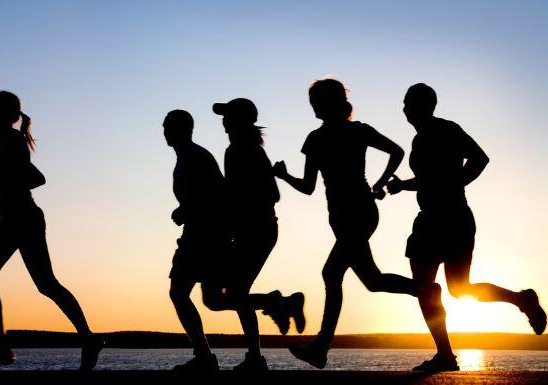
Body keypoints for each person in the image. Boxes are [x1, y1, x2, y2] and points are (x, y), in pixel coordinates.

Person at [273, 79, 439, 369]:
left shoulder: (356, 131)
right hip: (340, 216)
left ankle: (321, 347)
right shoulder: (315, 139)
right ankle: (424, 289)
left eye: (316, 101)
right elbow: (310, 186)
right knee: (372, 281)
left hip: (359, 212)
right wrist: (284, 176)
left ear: (330, 103)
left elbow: (397, 151)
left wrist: (379, 182)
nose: (312, 107)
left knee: (331, 272)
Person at [387, 83, 547, 372]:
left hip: (452, 217)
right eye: (404, 104)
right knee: (436, 288)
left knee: (454, 289)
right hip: (431, 219)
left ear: (426, 105)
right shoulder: (419, 140)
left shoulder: (447, 129)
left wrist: (455, 184)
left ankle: (520, 301)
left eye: (409, 103)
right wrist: (403, 186)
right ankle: (447, 354)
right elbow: (429, 181)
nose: (405, 109)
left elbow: (480, 158)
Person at [0, 91, 103, 370]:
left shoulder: (12, 141)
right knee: (45, 284)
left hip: (20, 219)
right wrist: (0, 184)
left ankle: (2, 348)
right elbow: (18, 178)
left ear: (4, 114)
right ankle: (88, 339)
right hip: (19, 218)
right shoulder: (7, 142)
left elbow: (36, 178)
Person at [164, 109, 304, 372]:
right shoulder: (208, 154)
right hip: (222, 233)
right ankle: (258, 342)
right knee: (220, 298)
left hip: (207, 237)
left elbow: (218, 195)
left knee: (183, 293)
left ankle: (212, 355)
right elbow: (230, 193)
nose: (164, 131)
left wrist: (188, 210)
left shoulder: (204, 155)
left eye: (169, 126)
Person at [211, 99, 305, 370]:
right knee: (229, 296)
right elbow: (272, 193)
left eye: (227, 115)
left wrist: (236, 207)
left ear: (237, 120)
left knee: (232, 295)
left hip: (254, 229)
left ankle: (259, 347)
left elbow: (248, 195)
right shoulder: (251, 149)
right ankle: (277, 308)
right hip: (259, 228)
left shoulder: (239, 150)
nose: (223, 120)